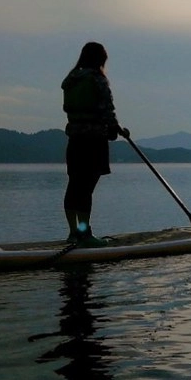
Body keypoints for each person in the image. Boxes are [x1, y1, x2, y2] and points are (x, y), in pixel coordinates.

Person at [61, 42, 130, 247]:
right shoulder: (97, 80)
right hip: (93, 141)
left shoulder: (71, 80)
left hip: (74, 140)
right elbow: (107, 110)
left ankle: (73, 233)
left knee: (74, 185)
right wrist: (117, 128)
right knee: (86, 188)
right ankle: (85, 235)